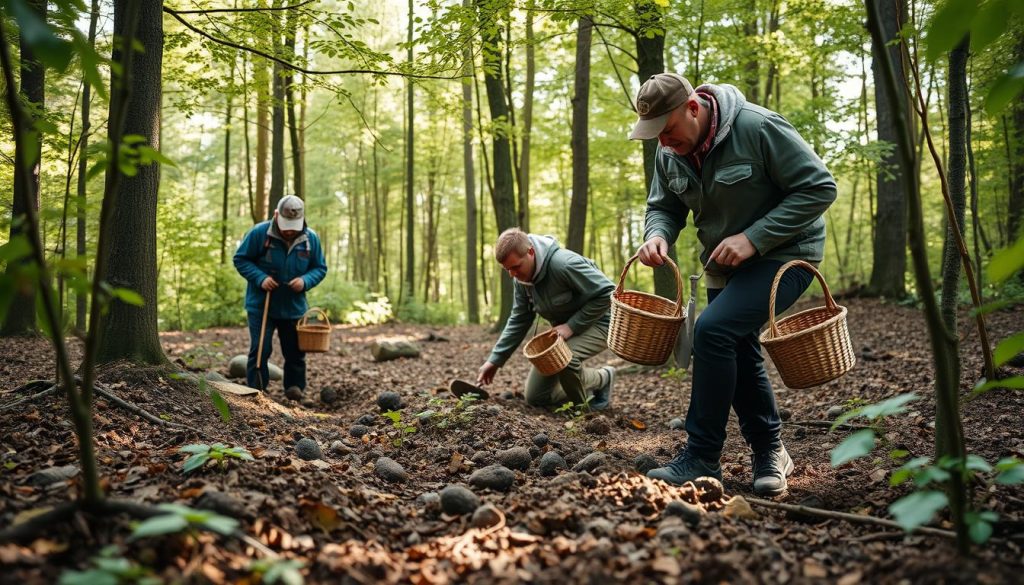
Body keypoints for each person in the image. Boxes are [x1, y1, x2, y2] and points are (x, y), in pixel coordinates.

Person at [629, 73, 837, 496]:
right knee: (738, 348)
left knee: (713, 330)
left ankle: (702, 455)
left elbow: (819, 187)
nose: (664, 143)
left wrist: (755, 237)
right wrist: (658, 234)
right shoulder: (669, 152)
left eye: (668, 130)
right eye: (656, 137)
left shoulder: (759, 128)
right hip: (723, 265)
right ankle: (771, 451)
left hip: (787, 255)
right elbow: (663, 206)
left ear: (693, 107)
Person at [477, 228, 616, 410]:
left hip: (600, 322)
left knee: (565, 359)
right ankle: (586, 388)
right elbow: (519, 319)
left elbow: (609, 293)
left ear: (531, 252)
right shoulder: (520, 279)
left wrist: (571, 326)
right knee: (536, 396)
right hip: (563, 333)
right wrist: (495, 360)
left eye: (515, 267)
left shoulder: (564, 264)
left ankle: (588, 403)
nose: (512, 274)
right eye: (507, 269)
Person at [234, 195, 327, 393]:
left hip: (293, 306)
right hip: (262, 304)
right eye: (286, 224)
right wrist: (260, 278)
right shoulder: (259, 233)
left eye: (294, 224)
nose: (290, 230)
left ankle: (295, 389)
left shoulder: (311, 239)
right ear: (276, 215)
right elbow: (241, 259)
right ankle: (256, 390)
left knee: (295, 352)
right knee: (260, 349)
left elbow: (319, 268)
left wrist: (305, 281)